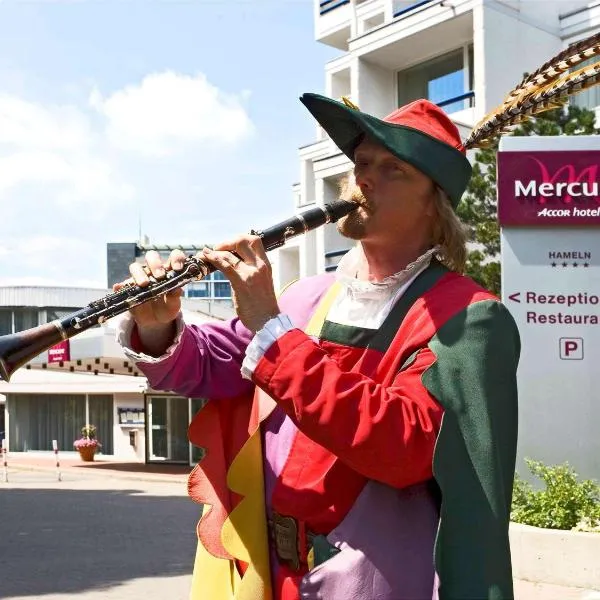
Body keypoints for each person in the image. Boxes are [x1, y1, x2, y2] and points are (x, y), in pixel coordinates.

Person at [117, 93, 520, 600]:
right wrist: (158, 327)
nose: (362, 180)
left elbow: (404, 445)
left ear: (434, 200)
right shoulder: (310, 295)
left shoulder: (469, 316)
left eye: (391, 168)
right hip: (270, 575)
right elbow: (214, 365)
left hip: (372, 584)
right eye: (361, 164)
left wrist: (272, 329)